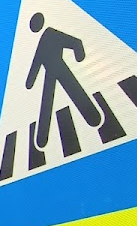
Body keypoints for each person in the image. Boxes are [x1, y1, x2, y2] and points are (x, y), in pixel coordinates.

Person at [26, 12, 102, 149]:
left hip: (59, 69)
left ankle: (94, 117)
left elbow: (74, 42)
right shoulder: (44, 40)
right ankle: (41, 139)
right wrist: (29, 82)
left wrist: (79, 55)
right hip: (52, 73)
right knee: (48, 102)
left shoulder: (50, 34)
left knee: (72, 94)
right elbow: (37, 62)